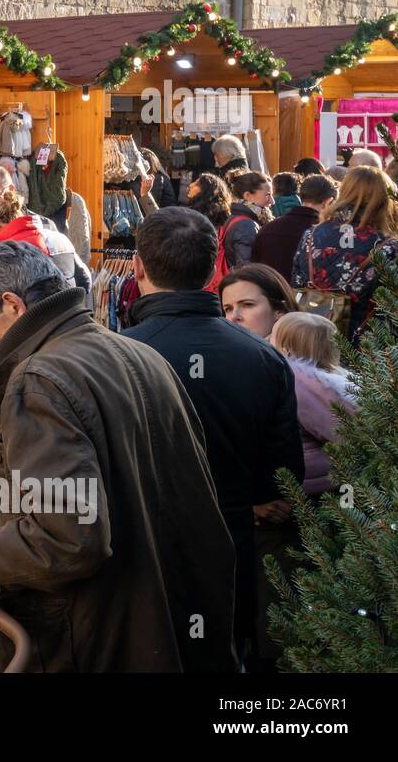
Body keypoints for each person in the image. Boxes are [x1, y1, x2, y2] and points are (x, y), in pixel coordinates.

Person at [0, 242, 236, 672]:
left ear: (12, 305)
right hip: (168, 623)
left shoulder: (38, 378)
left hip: (96, 638)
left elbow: (67, 536)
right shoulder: (140, 354)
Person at [122, 207, 303, 669]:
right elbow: (282, 476)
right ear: (212, 265)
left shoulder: (116, 354)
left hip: (141, 553)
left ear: (138, 268)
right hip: (231, 547)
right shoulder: (262, 357)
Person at [292, 166, 398, 340]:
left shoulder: (310, 235)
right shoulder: (389, 247)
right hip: (366, 346)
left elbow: (296, 284)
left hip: (312, 337)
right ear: (384, 199)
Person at [269, 313, 356, 499]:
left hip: (310, 485)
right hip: (332, 482)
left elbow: (340, 432)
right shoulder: (340, 382)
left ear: (285, 350)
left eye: (272, 339)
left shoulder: (298, 382)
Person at [251, 174, 336, 280]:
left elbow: (254, 267)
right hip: (305, 294)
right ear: (327, 201)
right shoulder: (327, 233)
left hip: (270, 291)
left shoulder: (268, 229)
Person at [219, 263, 297, 339]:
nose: (234, 316)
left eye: (247, 304)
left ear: (279, 310)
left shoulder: (304, 350)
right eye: (228, 309)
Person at [222, 171, 274, 271]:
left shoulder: (236, 216)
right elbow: (245, 268)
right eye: (267, 195)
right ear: (247, 195)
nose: (272, 201)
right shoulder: (245, 225)